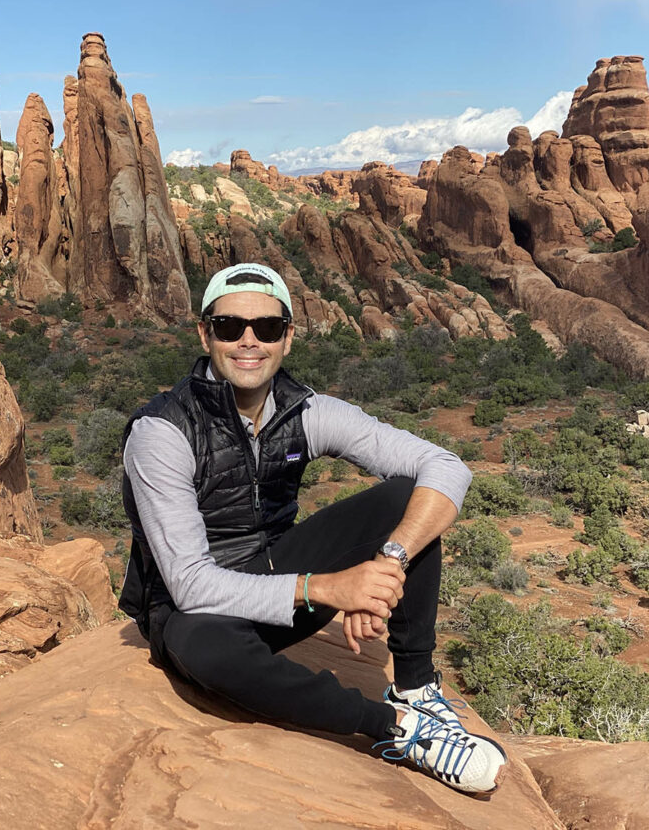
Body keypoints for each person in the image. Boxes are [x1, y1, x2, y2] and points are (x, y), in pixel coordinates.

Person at [118, 262, 508, 795]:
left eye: (268, 328)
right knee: (200, 646)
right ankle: (398, 731)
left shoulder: (306, 412)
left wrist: (387, 564)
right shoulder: (162, 431)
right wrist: (330, 589)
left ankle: (415, 690)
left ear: (288, 338)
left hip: (276, 573)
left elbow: (446, 467)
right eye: (230, 327)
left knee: (403, 499)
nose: (249, 341)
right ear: (205, 334)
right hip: (196, 608)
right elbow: (189, 582)